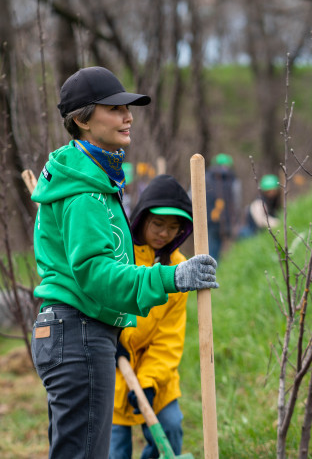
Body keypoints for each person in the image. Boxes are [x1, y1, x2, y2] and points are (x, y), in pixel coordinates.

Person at [30, 66, 218, 459]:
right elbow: (96, 275)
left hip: (78, 331)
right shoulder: (85, 192)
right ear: (82, 119)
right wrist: (172, 276)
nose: (127, 117)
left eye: (128, 109)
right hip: (79, 332)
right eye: (114, 109)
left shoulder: (91, 178)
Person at [109, 173, 193, 459]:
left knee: (170, 427)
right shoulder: (119, 256)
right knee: (114, 447)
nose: (163, 233)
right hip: (111, 368)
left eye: (173, 227)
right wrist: (111, 340)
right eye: (157, 223)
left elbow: (170, 337)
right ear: (142, 219)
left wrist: (149, 381)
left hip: (156, 373)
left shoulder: (179, 272)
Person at [205, 153, 241, 261]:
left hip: (208, 220)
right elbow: (237, 201)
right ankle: (217, 270)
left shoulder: (204, 177)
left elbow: (191, 196)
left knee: (210, 248)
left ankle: (209, 271)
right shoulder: (233, 180)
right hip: (226, 221)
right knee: (220, 248)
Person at [238, 174, 281, 238]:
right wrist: (277, 223)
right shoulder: (258, 203)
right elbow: (261, 220)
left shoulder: (275, 202)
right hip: (253, 234)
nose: (271, 193)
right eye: (269, 191)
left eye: (273, 191)